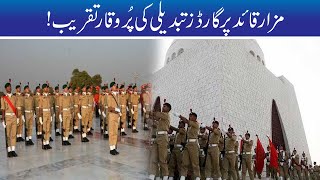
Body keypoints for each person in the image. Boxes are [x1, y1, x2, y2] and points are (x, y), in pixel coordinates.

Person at [148, 102, 172, 180]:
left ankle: (165, 175)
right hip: (158, 137)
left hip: (163, 138)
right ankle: (152, 174)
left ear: (168, 109)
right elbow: (155, 117)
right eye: (163, 106)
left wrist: (152, 112)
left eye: (164, 107)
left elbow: (156, 114)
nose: (163, 107)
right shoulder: (162, 117)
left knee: (162, 158)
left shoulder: (166, 115)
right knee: (153, 157)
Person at [179, 109, 201, 180]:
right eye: (189, 116)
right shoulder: (189, 126)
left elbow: (187, 121)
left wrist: (180, 116)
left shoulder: (196, 124)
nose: (189, 117)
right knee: (184, 162)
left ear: (195, 118)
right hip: (188, 144)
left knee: (195, 163)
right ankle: (182, 177)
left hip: (193, 144)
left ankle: (197, 177)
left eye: (191, 116)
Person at [1, 81, 18, 157]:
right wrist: (3, 120)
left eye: (10, 87)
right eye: (8, 87)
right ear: (6, 89)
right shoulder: (3, 98)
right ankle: (9, 150)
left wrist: (17, 117)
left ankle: (13, 150)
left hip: (14, 117)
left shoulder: (15, 97)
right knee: (8, 134)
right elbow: (3, 109)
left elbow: (16, 108)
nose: (9, 88)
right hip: (7, 117)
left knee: (14, 134)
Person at [107, 81, 121, 155]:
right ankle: (111, 148)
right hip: (112, 115)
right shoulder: (110, 96)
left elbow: (118, 105)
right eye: (114, 86)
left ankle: (114, 147)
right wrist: (116, 110)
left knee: (115, 132)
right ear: (111, 87)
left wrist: (119, 112)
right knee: (112, 132)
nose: (116, 87)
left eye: (116, 86)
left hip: (116, 115)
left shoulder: (117, 96)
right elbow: (109, 108)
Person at [39, 83, 53, 150]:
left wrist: (51, 115)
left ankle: (47, 143)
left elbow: (50, 107)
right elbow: (40, 108)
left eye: (47, 88)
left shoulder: (49, 97)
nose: (47, 89)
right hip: (44, 113)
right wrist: (40, 117)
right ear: (43, 89)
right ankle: (44, 143)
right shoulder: (41, 97)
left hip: (48, 113)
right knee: (44, 129)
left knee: (48, 129)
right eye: (46, 88)